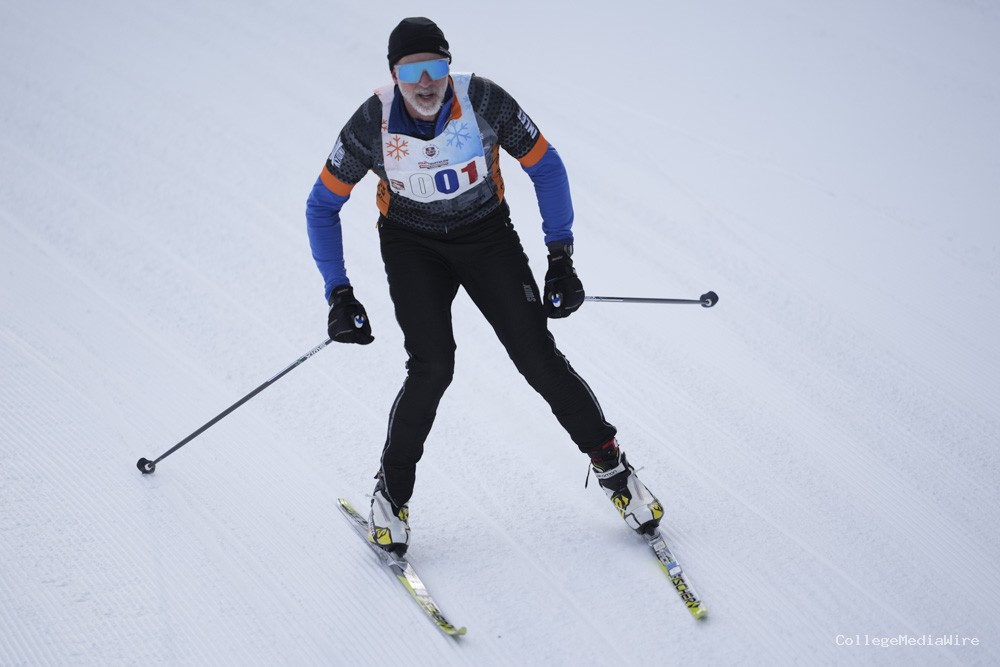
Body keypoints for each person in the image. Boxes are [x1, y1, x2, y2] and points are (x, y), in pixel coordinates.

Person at [306, 17, 662, 556]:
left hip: (485, 234)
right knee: (432, 367)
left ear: (450, 67)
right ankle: (391, 496)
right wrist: (339, 292)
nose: (426, 83)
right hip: (411, 244)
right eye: (411, 71)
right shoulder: (370, 123)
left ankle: (614, 469)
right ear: (393, 75)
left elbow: (547, 167)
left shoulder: (485, 101)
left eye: (436, 68)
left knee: (537, 355)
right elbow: (321, 206)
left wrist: (560, 258)